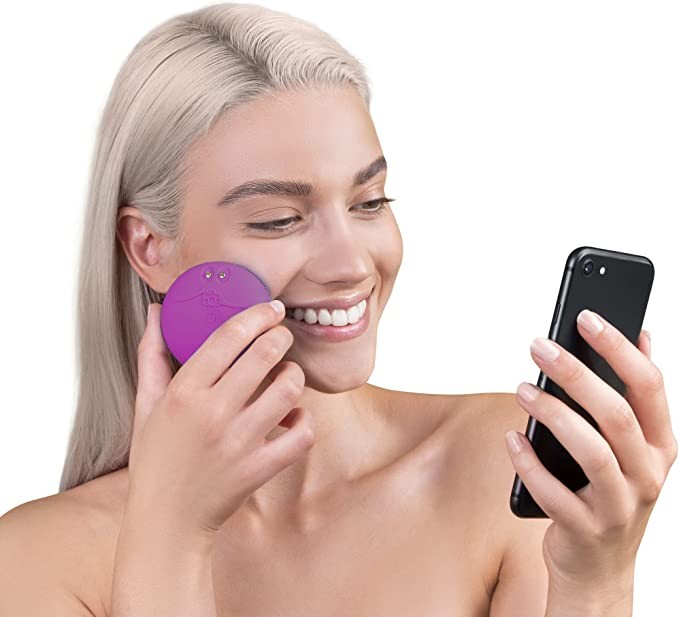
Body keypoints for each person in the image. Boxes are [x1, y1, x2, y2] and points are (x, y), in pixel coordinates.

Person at [0, 3, 675, 616]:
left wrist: (596, 579)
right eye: (278, 219)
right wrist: (170, 535)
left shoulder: (506, 464)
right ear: (149, 247)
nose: (350, 263)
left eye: (369, 202)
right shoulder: (37, 557)